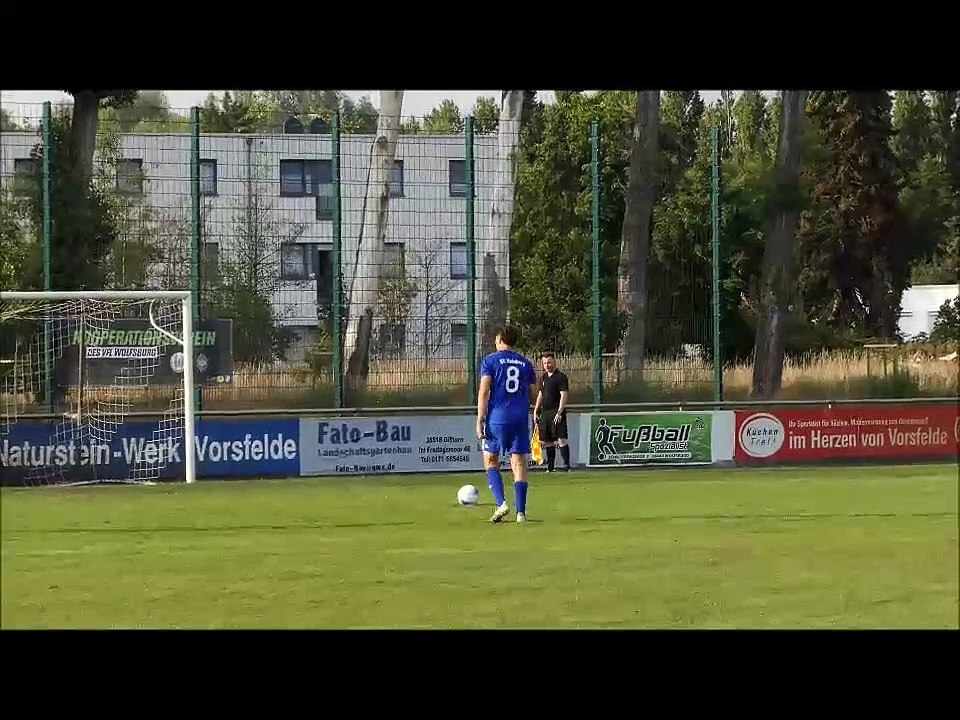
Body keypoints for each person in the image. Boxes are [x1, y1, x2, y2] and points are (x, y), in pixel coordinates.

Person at [475, 324, 538, 524]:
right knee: (518, 461)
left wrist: (479, 419)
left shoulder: (490, 360)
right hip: (519, 416)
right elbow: (533, 392)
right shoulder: (525, 363)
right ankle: (521, 513)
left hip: (497, 417)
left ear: (500, 339)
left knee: (490, 459)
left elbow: (484, 391)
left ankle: (502, 503)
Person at [533, 351, 571, 472]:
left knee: (561, 439)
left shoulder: (561, 377)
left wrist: (559, 412)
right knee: (547, 441)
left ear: (554, 362)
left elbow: (564, 395)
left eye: (549, 362)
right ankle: (550, 467)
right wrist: (536, 410)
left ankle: (566, 466)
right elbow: (540, 394)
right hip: (545, 412)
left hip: (556, 411)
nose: (547, 365)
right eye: (544, 363)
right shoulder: (544, 377)